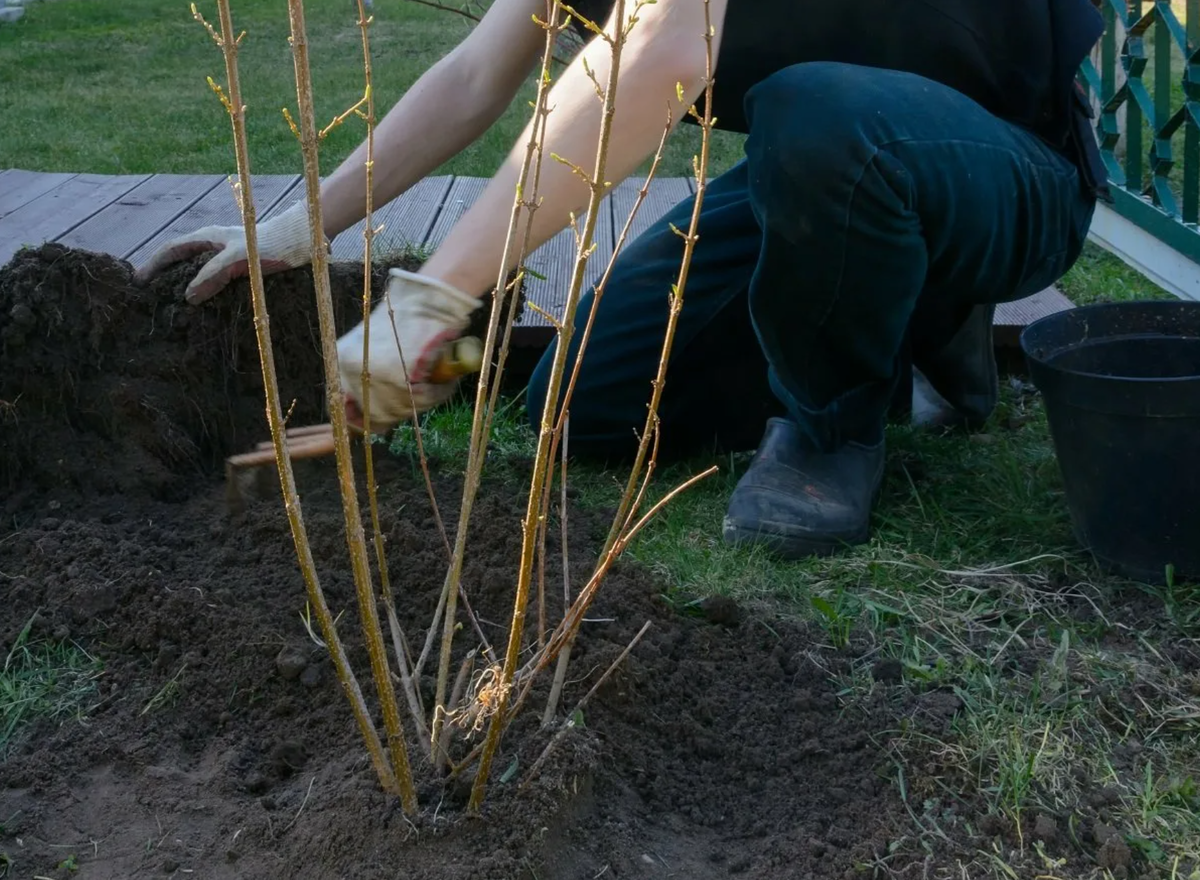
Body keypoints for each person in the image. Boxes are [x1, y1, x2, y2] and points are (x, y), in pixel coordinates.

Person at [137, 0, 1109, 560]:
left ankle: (834, 430)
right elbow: (476, 78)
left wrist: (429, 309)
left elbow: (659, 55)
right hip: (823, 167)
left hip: (1008, 162)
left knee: (813, 113)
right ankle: (907, 323)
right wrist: (302, 228)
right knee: (583, 405)